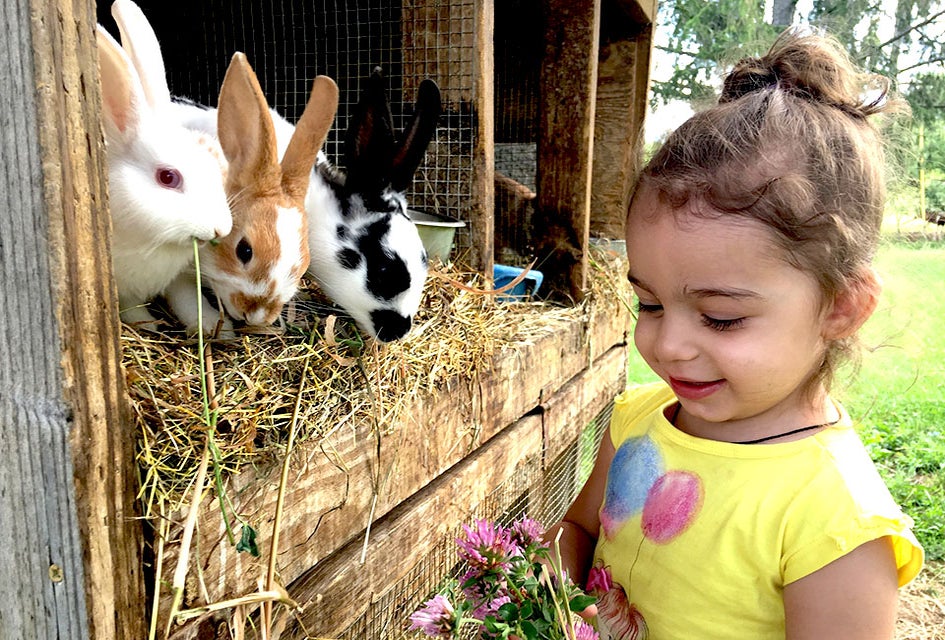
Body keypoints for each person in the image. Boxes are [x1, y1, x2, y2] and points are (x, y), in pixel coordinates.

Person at [545, 28, 924, 640]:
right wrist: (558, 602)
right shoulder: (638, 422)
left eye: (721, 317)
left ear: (842, 307)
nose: (668, 346)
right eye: (648, 303)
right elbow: (579, 530)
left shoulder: (833, 520)